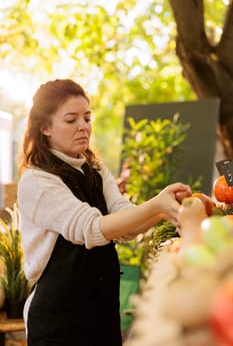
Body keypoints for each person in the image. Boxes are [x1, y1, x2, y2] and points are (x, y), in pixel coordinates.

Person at [17, 78, 191, 346]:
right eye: (71, 119)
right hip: (58, 323)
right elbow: (90, 229)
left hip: (101, 314)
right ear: (45, 127)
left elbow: (127, 225)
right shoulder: (37, 180)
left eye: (87, 118)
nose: (83, 127)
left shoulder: (95, 170)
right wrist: (156, 204)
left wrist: (166, 210)